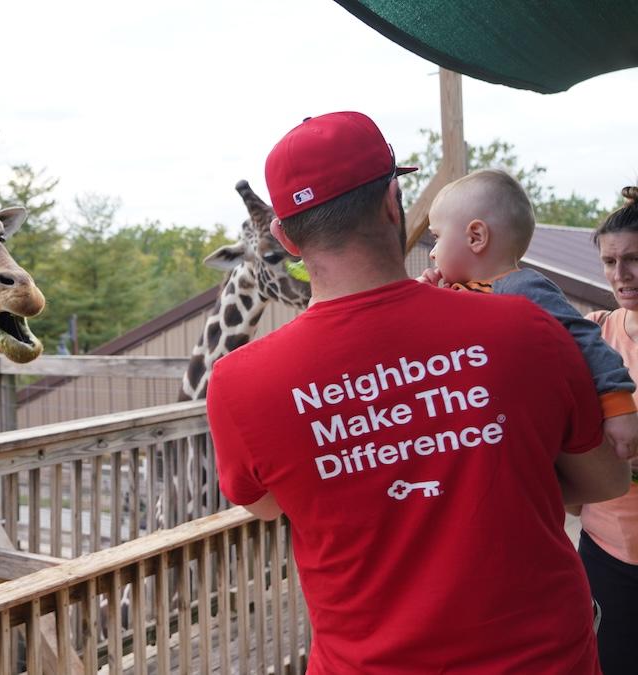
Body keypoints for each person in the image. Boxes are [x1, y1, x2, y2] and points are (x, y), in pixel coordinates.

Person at [206, 111, 630, 673]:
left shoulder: (239, 383)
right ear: (392, 201)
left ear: (284, 235)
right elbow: (606, 479)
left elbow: (268, 504)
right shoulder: (525, 328)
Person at [421, 169, 638, 459]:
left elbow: (584, 340)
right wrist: (425, 300)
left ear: (476, 236)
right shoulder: (457, 293)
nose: (433, 253)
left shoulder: (524, 288)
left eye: (436, 238)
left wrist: (617, 406)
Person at [579, 187, 638, 674]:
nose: (622, 275)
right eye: (611, 261)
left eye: (635, 259)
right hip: (606, 549)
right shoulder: (594, 333)